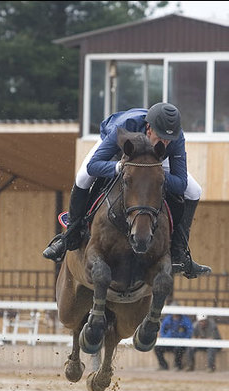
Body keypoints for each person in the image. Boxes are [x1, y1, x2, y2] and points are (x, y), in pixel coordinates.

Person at [41, 102, 211, 279]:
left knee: (195, 191)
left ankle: (179, 252)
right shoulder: (125, 127)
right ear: (149, 129)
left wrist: (150, 175)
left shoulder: (175, 138)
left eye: (169, 140)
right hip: (118, 153)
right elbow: (94, 166)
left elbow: (181, 183)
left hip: (153, 162)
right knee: (83, 177)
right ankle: (70, 235)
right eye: (161, 138)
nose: (165, 143)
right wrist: (122, 167)